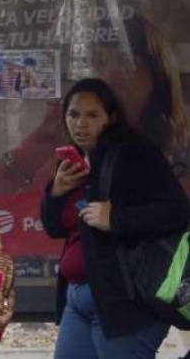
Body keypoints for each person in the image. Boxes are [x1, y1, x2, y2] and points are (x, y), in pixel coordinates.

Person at [40, 77, 190, 359]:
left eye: (92, 115)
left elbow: (178, 212)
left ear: (112, 117)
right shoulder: (73, 161)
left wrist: (117, 218)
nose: (80, 124)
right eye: (73, 114)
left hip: (125, 303)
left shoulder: (135, 153)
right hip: (77, 299)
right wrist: (56, 193)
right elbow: (53, 227)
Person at [0, 11, 190, 194]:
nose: (110, 76)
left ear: (158, 77)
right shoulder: (72, 145)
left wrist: (114, 219)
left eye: (128, 64)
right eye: (99, 61)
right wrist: (40, 145)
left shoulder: (180, 148)